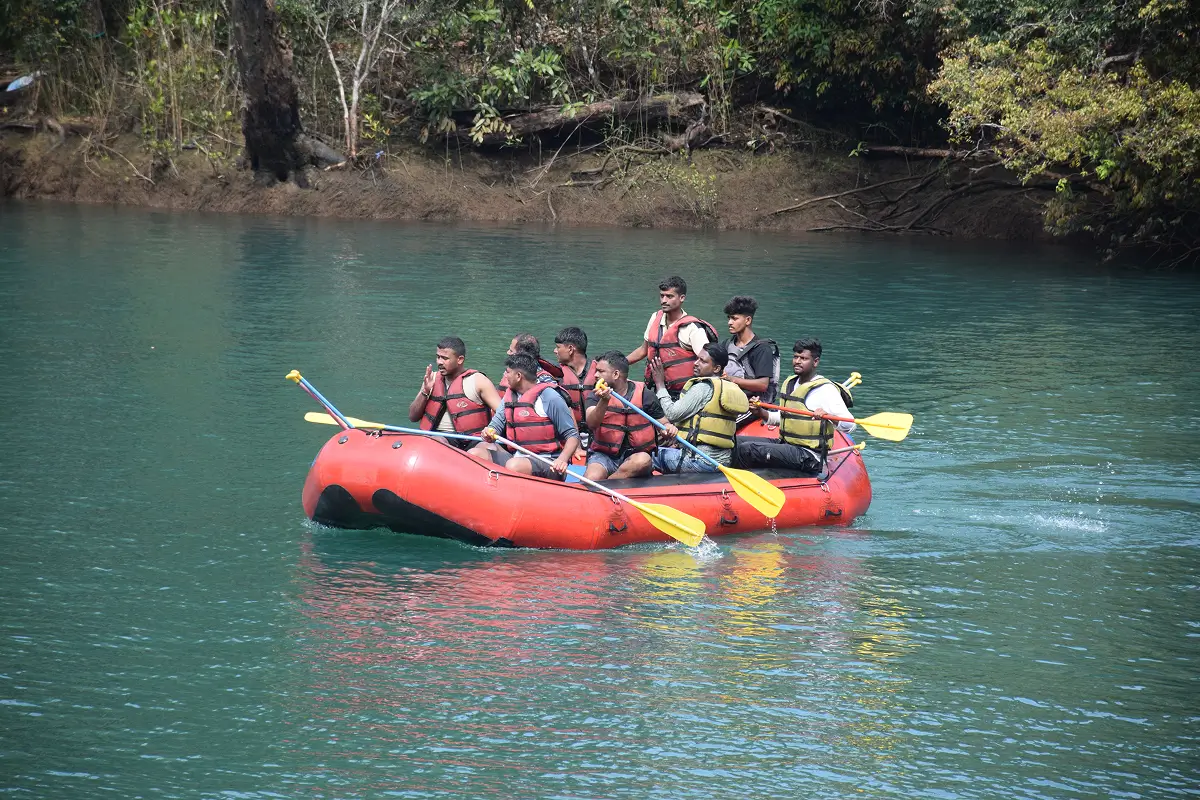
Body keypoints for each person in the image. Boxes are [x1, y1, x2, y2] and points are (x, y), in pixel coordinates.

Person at [733, 337, 855, 472]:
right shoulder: (791, 383)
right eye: (796, 357)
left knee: (748, 449)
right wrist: (760, 412)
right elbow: (786, 418)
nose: (797, 361)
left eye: (803, 358)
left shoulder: (825, 389)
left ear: (815, 362)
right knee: (735, 441)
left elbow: (850, 424)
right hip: (787, 445)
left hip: (809, 455)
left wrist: (829, 417)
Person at [469, 353, 580, 480]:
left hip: (549, 462)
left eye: (507, 372)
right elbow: (495, 426)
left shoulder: (550, 397)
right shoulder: (509, 397)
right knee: (475, 453)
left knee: (513, 465)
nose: (505, 376)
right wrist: (487, 433)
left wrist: (562, 460)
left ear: (518, 376)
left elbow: (572, 435)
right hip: (517, 456)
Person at [649, 342, 748, 473]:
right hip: (723, 460)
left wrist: (660, 384)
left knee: (644, 455)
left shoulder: (703, 387)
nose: (696, 363)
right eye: (697, 358)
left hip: (699, 461)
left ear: (716, 368)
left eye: (703, 361)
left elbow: (671, 414)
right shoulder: (726, 387)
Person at [583, 350, 676, 480]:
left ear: (616, 374)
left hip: (635, 457)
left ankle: (609, 483)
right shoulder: (596, 394)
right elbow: (592, 423)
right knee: (593, 476)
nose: (596, 375)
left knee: (643, 460)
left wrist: (668, 428)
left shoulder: (646, 395)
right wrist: (604, 401)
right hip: (605, 455)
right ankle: (606, 484)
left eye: (601, 371)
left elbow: (663, 424)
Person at [626, 276, 717, 399]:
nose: (664, 300)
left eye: (669, 296)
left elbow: (708, 361)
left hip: (684, 393)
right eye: (662, 295)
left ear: (682, 298)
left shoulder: (692, 328)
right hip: (654, 388)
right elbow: (643, 350)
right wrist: (619, 364)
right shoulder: (655, 318)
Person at [408, 336, 503, 448]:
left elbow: (502, 414)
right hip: (438, 438)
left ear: (460, 359)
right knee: (436, 441)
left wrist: (491, 430)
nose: (439, 362)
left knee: (480, 451)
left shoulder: (478, 381)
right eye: (438, 357)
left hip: (473, 441)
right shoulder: (431, 379)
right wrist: (425, 392)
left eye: (445, 358)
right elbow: (412, 417)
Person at [721, 295, 780, 404]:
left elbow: (763, 385)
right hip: (728, 398)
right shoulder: (726, 344)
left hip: (752, 404)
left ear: (748, 320)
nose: (729, 322)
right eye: (728, 318)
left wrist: (731, 379)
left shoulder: (762, 349)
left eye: (734, 318)